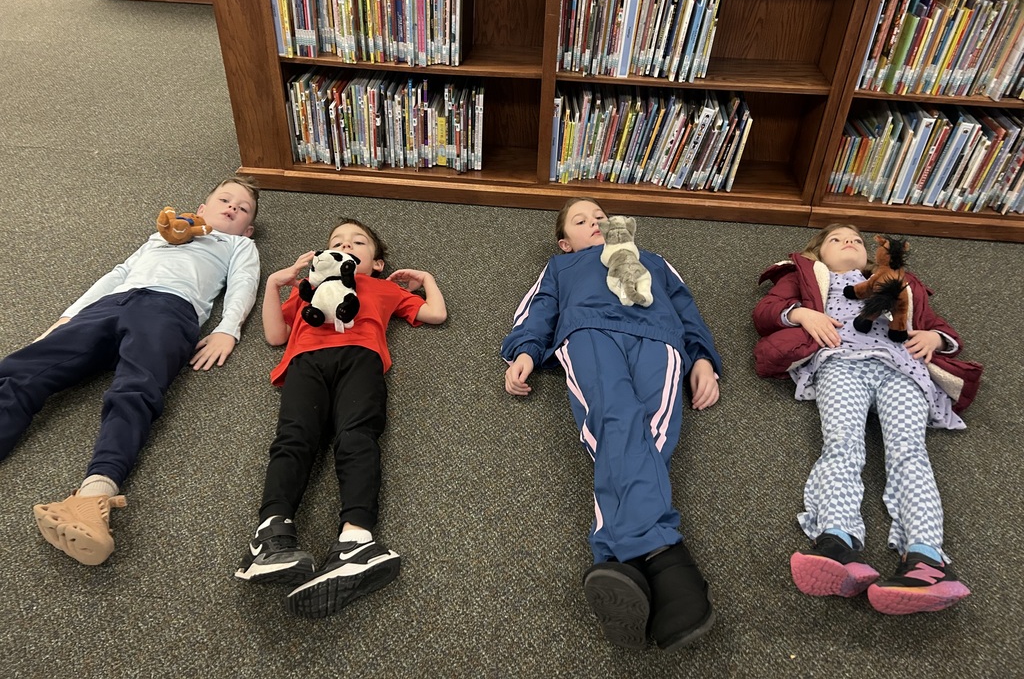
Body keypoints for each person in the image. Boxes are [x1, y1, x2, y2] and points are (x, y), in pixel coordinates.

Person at [0, 176, 261, 566]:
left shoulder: (238, 245)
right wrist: (70, 314)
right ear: (201, 208)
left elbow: (244, 282)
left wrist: (228, 329)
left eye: (242, 210)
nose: (231, 208)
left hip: (170, 312)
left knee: (135, 390)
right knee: (20, 369)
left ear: (248, 227)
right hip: (112, 304)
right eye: (225, 200)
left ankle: (93, 496)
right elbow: (119, 272)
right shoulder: (164, 234)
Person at [501, 197, 722, 652]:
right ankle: (665, 557)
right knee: (617, 422)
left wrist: (703, 360)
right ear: (566, 243)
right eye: (581, 221)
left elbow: (688, 311)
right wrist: (524, 350)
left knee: (652, 434)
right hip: (588, 333)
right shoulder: (563, 268)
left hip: (660, 339)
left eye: (601, 217)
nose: (595, 223)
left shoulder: (655, 262)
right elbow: (538, 309)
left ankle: (621, 562)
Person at [753, 223, 982, 615]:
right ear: (817, 253)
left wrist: (934, 339)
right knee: (842, 445)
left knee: (910, 451)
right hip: (841, 363)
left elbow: (939, 326)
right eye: (836, 239)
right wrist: (804, 314)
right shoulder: (806, 274)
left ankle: (927, 560)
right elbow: (766, 312)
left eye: (857, 240)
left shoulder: (902, 283)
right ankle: (838, 541)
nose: (849, 243)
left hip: (903, 368)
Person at [235, 218, 447, 619]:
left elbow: (435, 313)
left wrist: (428, 279)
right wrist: (273, 286)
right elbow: (275, 335)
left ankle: (357, 542)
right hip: (304, 362)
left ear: (377, 263)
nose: (345, 246)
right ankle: (271, 536)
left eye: (358, 242)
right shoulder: (308, 288)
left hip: (361, 360)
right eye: (336, 241)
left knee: (357, 437)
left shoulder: (383, 288)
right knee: (294, 438)